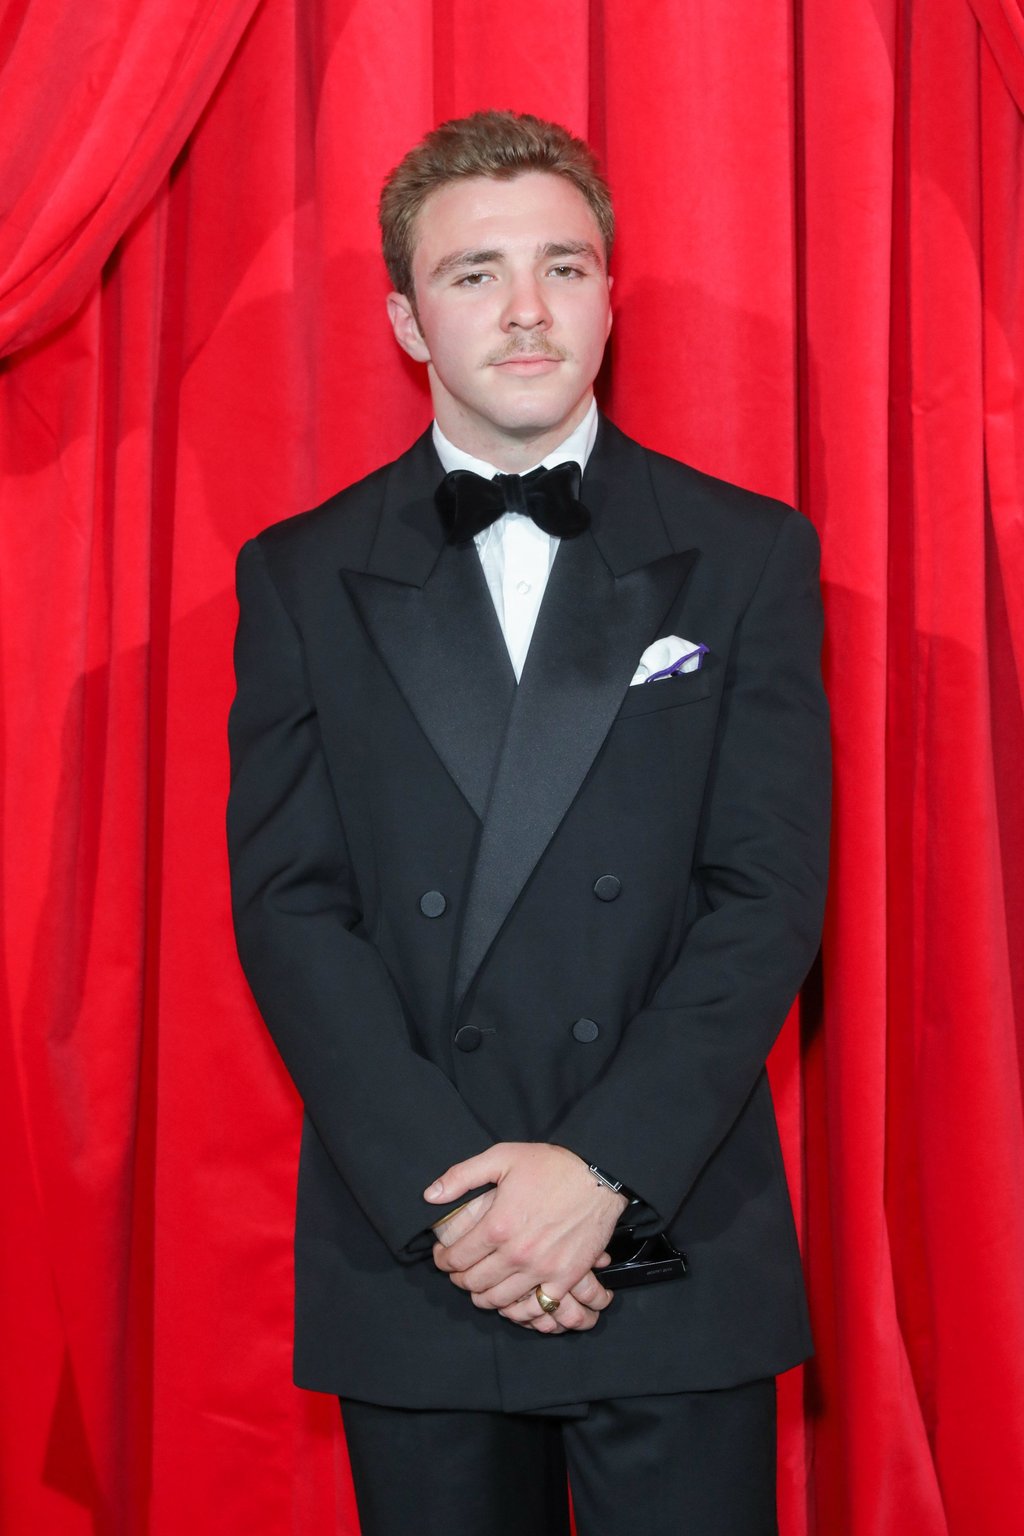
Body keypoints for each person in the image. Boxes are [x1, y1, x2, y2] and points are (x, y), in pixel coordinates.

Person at [227, 109, 831, 1536]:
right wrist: (463, 1209)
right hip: (428, 1242)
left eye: (562, 268)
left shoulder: (747, 554)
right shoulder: (302, 575)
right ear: (405, 318)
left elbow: (766, 896)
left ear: (611, 297)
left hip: (673, 1221)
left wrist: (601, 1174)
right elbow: (291, 908)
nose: (522, 312)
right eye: (473, 272)